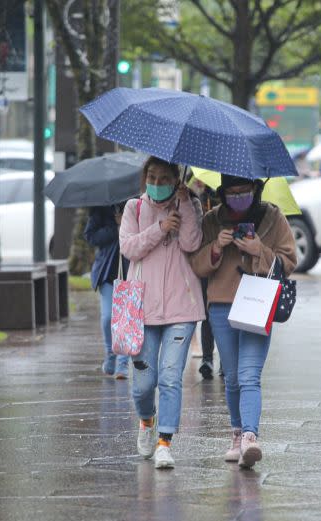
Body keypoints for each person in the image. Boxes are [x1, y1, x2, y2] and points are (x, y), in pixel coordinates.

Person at [190, 174, 297, 468]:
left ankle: (250, 436)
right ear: (223, 193)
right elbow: (196, 264)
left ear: (256, 189)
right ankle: (236, 433)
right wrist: (215, 247)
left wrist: (258, 250)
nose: (238, 197)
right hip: (222, 307)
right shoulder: (212, 220)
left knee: (250, 375)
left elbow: (289, 259)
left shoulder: (273, 218)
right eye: (232, 192)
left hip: (257, 303)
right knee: (233, 377)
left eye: (244, 191)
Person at [119, 156, 205, 469]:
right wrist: (159, 227)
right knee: (143, 383)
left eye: (164, 178)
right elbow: (129, 248)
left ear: (175, 179)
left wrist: (183, 206)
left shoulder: (189, 204)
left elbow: (192, 243)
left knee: (170, 376)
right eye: (152, 178)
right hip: (141, 308)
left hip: (182, 307)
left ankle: (165, 442)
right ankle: (146, 420)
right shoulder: (134, 208)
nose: (156, 184)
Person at [84, 204, 131, 379]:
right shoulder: (100, 208)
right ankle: (111, 354)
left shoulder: (135, 203)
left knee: (125, 318)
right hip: (107, 271)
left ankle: (123, 364)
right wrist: (115, 228)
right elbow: (90, 236)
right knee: (108, 317)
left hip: (129, 270)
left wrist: (126, 224)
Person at [188, 176, 220, 380]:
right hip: (205, 262)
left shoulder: (226, 198)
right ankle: (207, 358)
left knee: (226, 314)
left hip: (227, 266)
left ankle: (225, 360)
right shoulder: (197, 197)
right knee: (208, 313)